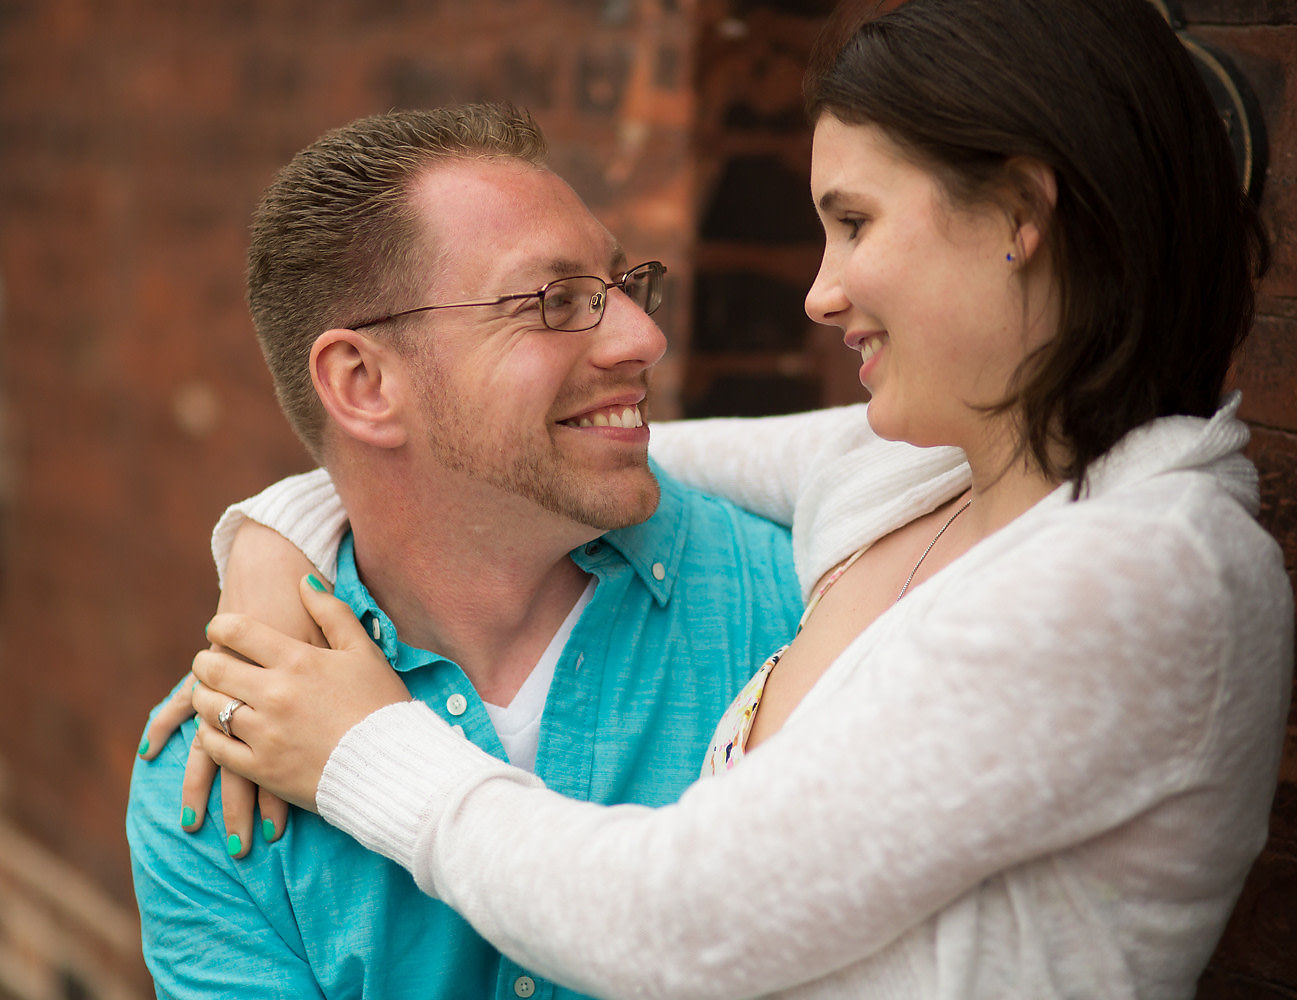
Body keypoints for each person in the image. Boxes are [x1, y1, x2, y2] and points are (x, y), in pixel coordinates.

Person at [182, 0, 1294, 996]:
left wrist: (363, 747)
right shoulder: (925, 469)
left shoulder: (1143, 572)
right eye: (554, 300)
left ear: (1018, 215)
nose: (822, 290)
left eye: (855, 222)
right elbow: (551, 445)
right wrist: (283, 535)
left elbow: (683, 923)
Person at [127, 102, 956, 998]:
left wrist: (272, 526)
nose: (643, 338)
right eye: (556, 302)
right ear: (363, 383)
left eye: (622, 284)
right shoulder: (219, 767)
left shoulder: (815, 608)